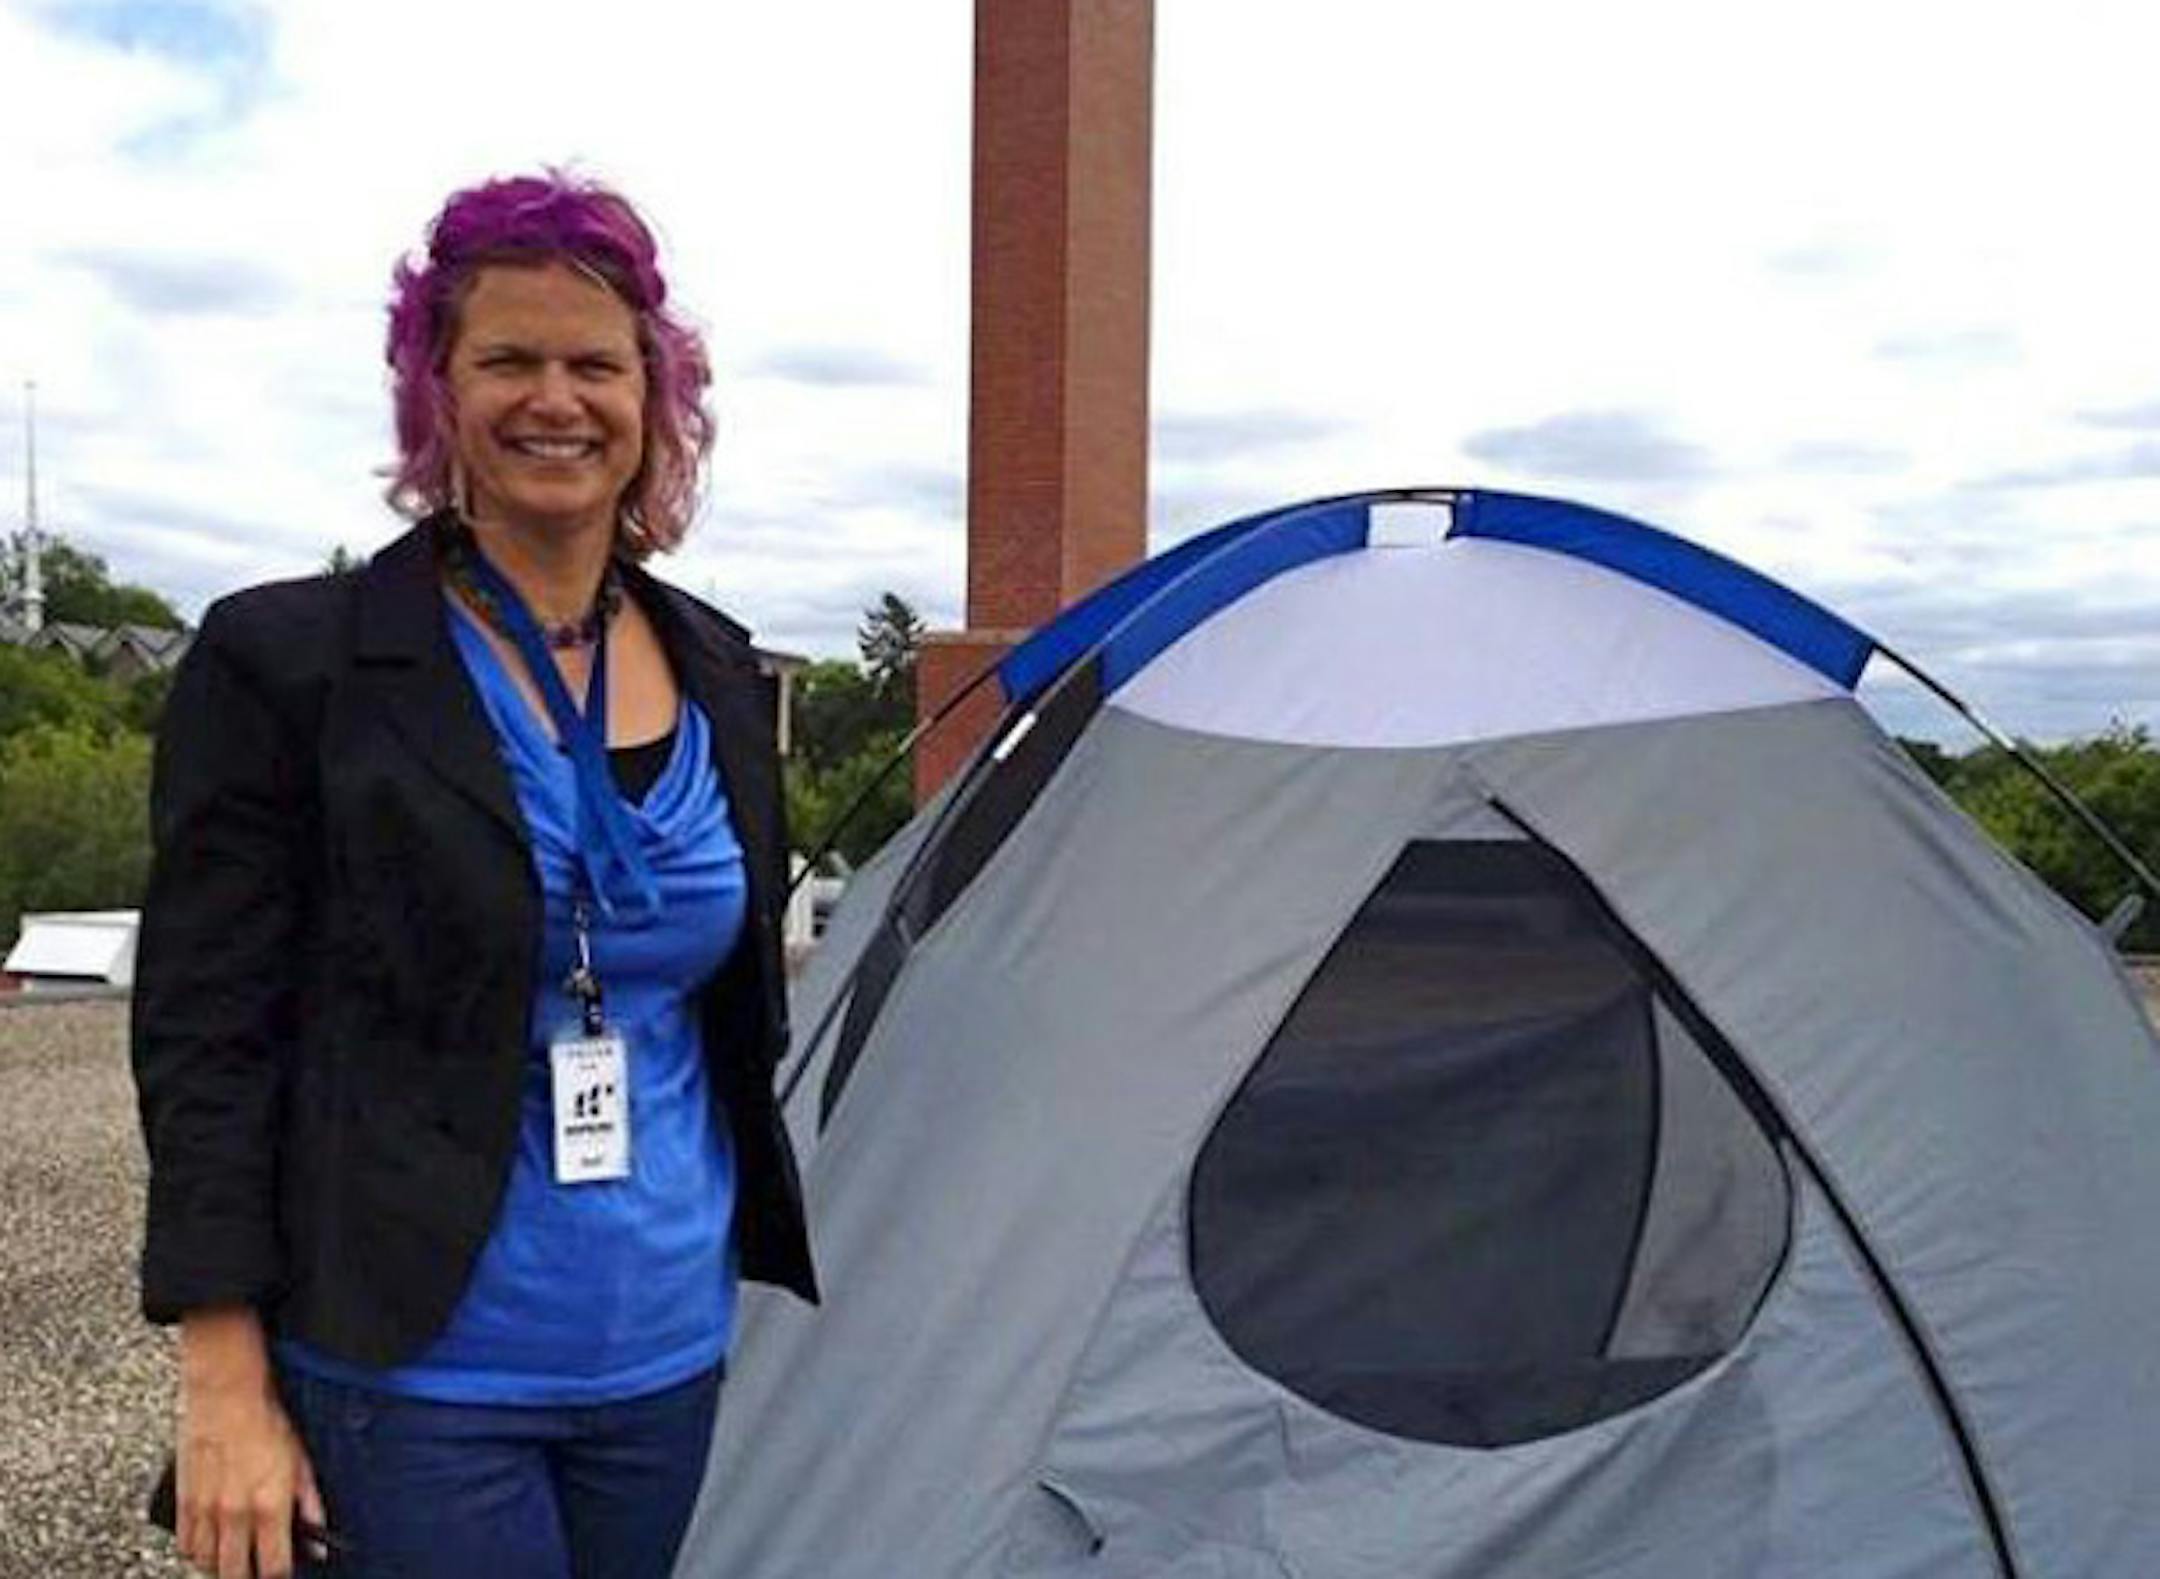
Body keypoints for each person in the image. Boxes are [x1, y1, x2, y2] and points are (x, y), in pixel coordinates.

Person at [131, 170, 816, 1579]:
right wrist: (222, 1378)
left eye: (595, 363)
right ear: (437, 391)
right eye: (507, 359)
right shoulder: (293, 664)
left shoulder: (721, 669)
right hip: (413, 1369)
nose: (553, 399)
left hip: (662, 1350)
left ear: (653, 398)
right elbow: (208, 1035)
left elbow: (723, 1006)